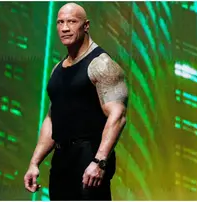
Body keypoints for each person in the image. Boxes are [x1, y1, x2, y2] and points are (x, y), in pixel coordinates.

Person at [24, 2, 128, 200]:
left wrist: (99, 162)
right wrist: (34, 163)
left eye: (72, 22)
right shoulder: (58, 69)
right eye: (60, 22)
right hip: (62, 158)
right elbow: (53, 118)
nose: (65, 28)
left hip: (89, 156)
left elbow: (118, 115)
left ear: (86, 25)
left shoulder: (102, 65)